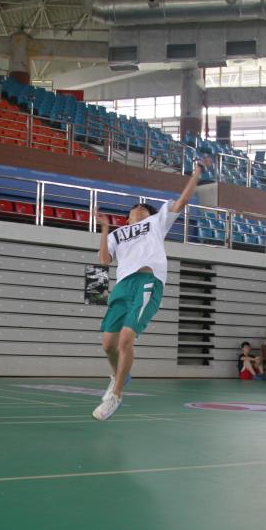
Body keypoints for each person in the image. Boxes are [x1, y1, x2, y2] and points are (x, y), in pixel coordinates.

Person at [92, 159, 208, 421]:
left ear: (149, 214)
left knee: (125, 339)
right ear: (128, 216)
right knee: (108, 344)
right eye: (136, 207)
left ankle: (116, 395)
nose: (139, 208)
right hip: (123, 286)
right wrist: (105, 229)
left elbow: (182, 201)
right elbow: (104, 261)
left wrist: (196, 174)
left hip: (148, 280)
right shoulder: (116, 235)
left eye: (144, 207)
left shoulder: (156, 223)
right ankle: (119, 376)